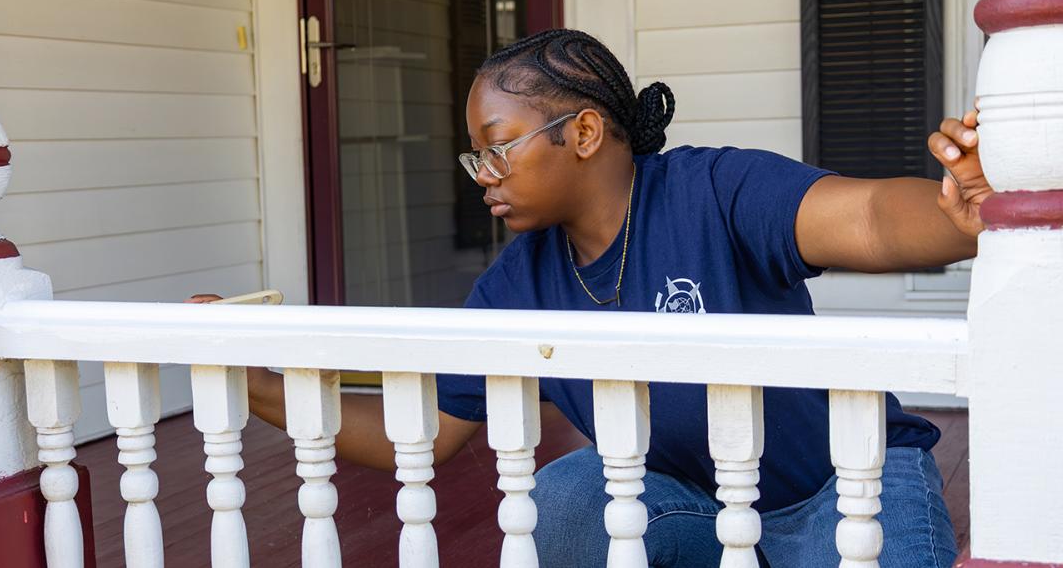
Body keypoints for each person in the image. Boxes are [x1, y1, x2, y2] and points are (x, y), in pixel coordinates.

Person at [191, 28, 988, 567]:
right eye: (477, 159)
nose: (485, 176)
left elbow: (872, 218)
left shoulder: (713, 189)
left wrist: (957, 218)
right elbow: (424, 433)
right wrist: (261, 388)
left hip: (842, 492)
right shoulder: (515, 284)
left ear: (581, 133)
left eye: (497, 147)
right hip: (697, 513)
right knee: (562, 497)